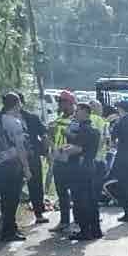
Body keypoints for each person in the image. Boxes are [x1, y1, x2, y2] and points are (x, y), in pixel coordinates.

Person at [0, 93, 32, 242]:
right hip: (13, 165)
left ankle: (10, 229)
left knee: (6, 200)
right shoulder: (15, 122)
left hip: (0, 164)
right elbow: (21, 148)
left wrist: (1, 154)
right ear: (17, 104)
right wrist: (26, 168)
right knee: (12, 200)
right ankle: (9, 232)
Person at [63, 103, 101, 240]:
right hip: (89, 166)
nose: (75, 113)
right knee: (91, 200)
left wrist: (64, 149)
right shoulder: (92, 129)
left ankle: (85, 231)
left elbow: (77, 149)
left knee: (81, 201)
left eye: (77, 111)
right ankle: (96, 230)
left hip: (80, 168)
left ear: (85, 112)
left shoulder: (84, 130)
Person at [17, 93, 50, 224]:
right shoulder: (32, 117)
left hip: (13, 158)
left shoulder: (2, 118)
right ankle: (39, 214)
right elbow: (44, 136)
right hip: (32, 156)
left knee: (12, 187)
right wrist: (46, 152)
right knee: (35, 185)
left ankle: (8, 218)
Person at [48, 90, 76, 233]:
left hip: (72, 160)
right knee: (62, 192)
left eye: (62, 102)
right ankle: (64, 221)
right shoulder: (58, 120)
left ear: (70, 103)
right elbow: (53, 139)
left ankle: (78, 221)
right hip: (59, 160)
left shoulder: (76, 120)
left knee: (76, 192)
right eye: (59, 101)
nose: (60, 104)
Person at [89, 99, 110, 207]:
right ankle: (94, 207)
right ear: (95, 108)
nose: (102, 109)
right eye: (100, 107)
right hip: (98, 158)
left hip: (86, 158)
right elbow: (103, 139)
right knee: (97, 185)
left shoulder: (85, 119)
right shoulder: (100, 120)